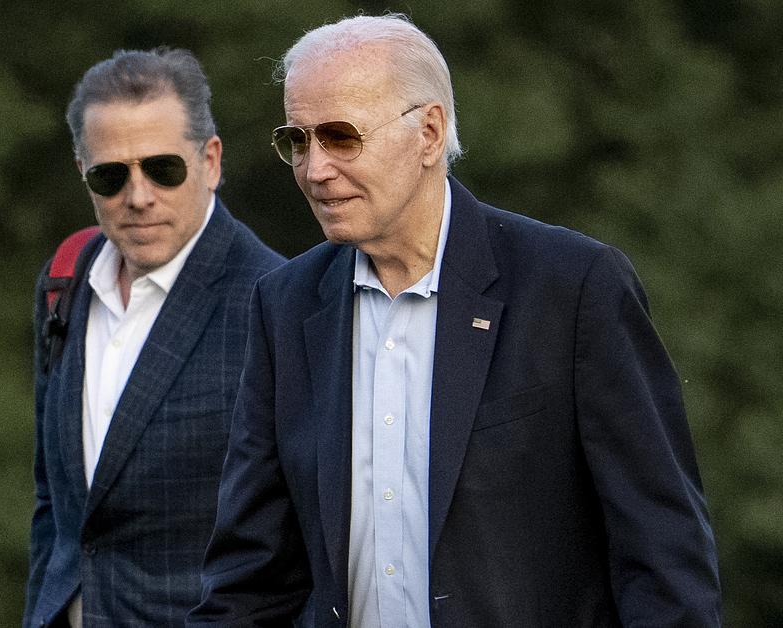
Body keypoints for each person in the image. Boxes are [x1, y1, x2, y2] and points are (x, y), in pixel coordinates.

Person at [189, 14, 720, 627]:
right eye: (298, 142)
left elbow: (663, 559)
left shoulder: (573, 288)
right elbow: (250, 579)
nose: (314, 170)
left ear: (429, 133)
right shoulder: (284, 305)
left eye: (340, 137)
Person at [25, 47, 284, 628]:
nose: (138, 197)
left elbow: (299, 542)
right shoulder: (63, 280)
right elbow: (56, 509)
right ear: (81, 171)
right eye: (110, 175)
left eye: (163, 168)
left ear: (211, 160)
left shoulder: (274, 301)